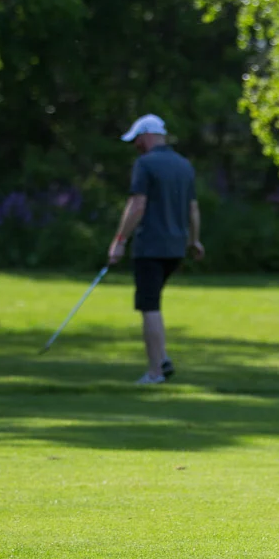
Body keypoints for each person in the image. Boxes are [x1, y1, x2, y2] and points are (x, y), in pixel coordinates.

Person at [108, 114, 204, 384]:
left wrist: (119, 240)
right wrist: (195, 240)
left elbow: (137, 205)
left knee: (149, 305)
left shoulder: (145, 163)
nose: (135, 145)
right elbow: (193, 209)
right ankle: (162, 359)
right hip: (175, 248)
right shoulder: (184, 165)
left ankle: (155, 372)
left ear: (147, 136)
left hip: (150, 246)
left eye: (137, 139)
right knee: (154, 303)